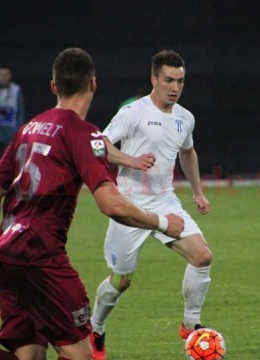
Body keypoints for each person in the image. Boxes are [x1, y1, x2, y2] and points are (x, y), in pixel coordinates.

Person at [0, 47, 184, 360]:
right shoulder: (83, 133)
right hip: (41, 256)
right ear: (93, 84)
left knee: (30, 357)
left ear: (53, 87)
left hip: (6, 256)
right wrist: (162, 222)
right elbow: (110, 203)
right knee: (81, 355)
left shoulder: (28, 129)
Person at [88, 49, 213, 360]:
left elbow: (188, 152)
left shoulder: (186, 118)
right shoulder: (133, 112)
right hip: (128, 208)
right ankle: (96, 327)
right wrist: (130, 160)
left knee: (202, 257)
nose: (174, 87)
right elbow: (97, 145)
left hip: (165, 202)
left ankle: (191, 325)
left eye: (180, 81)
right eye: (168, 80)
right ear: (154, 79)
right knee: (121, 281)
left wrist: (197, 191)